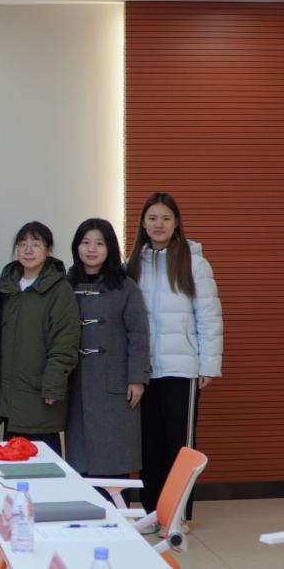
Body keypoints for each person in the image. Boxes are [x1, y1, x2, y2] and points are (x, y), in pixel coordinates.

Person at [126, 192, 222, 521]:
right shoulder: (132, 264)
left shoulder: (194, 262)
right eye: (152, 218)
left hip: (182, 369)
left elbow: (209, 316)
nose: (159, 224)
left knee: (180, 446)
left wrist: (209, 364)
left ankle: (178, 515)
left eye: (166, 218)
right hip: (145, 371)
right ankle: (153, 512)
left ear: (176, 223)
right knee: (149, 445)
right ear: (143, 223)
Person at [64, 218, 150, 484]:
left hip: (115, 380)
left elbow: (139, 334)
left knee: (114, 454)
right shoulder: (65, 285)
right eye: (85, 242)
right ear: (76, 247)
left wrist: (137, 378)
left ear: (110, 248)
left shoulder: (126, 287)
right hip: (76, 379)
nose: (92, 249)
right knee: (80, 455)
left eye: (99, 243)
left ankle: (115, 504)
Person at [0, 221, 80, 455]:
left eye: (36, 244)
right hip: (12, 395)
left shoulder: (59, 290)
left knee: (44, 462)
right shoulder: (8, 287)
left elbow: (65, 341)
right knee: (11, 462)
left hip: (42, 392)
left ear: (48, 250)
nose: (28, 250)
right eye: (22, 244)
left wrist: (53, 384)